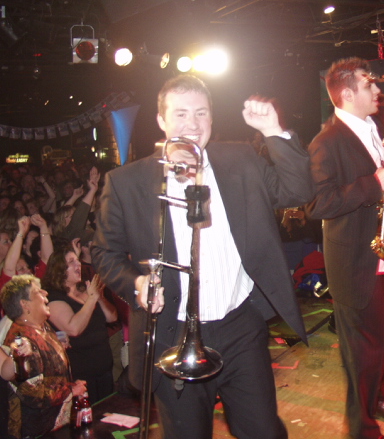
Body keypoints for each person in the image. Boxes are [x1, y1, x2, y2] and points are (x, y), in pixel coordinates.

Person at [91, 74, 313, 439]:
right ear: (161, 120)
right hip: (173, 335)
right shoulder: (126, 181)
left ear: (212, 116)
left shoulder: (241, 159)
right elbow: (104, 251)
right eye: (180, 114)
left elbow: (299, 190)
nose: (192, 124)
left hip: (240, 327)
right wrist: (136, 283)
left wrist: (273, 131)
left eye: (201, 113)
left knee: (264, 432)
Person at [305, 26, 384, 438]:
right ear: (346, 94)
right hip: (356, 262)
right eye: (369, 85)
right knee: (366, 350)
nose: (377, 91)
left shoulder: (372, 126)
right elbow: (318, 204)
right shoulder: (325, 142)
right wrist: (376, 183)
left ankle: (375, 399)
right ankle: (362, 428)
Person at [0, 275, 87, 439]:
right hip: (38, 429)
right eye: (37, 292)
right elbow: (30, 392)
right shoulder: (21, 338)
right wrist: (70, 390)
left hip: (55, 423)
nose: (45, 293)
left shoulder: (42, 326)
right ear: (25, 304)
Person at [42, 243, 117, 403]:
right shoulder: (54, 298)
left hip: (104, 370)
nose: (79, 264)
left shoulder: (86, 290)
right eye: (72, 262)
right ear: (59, 269)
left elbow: (112, 318)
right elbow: (73, 329)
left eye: (78, 260)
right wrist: (92, 299)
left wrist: (100, 297)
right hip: (81, 376)